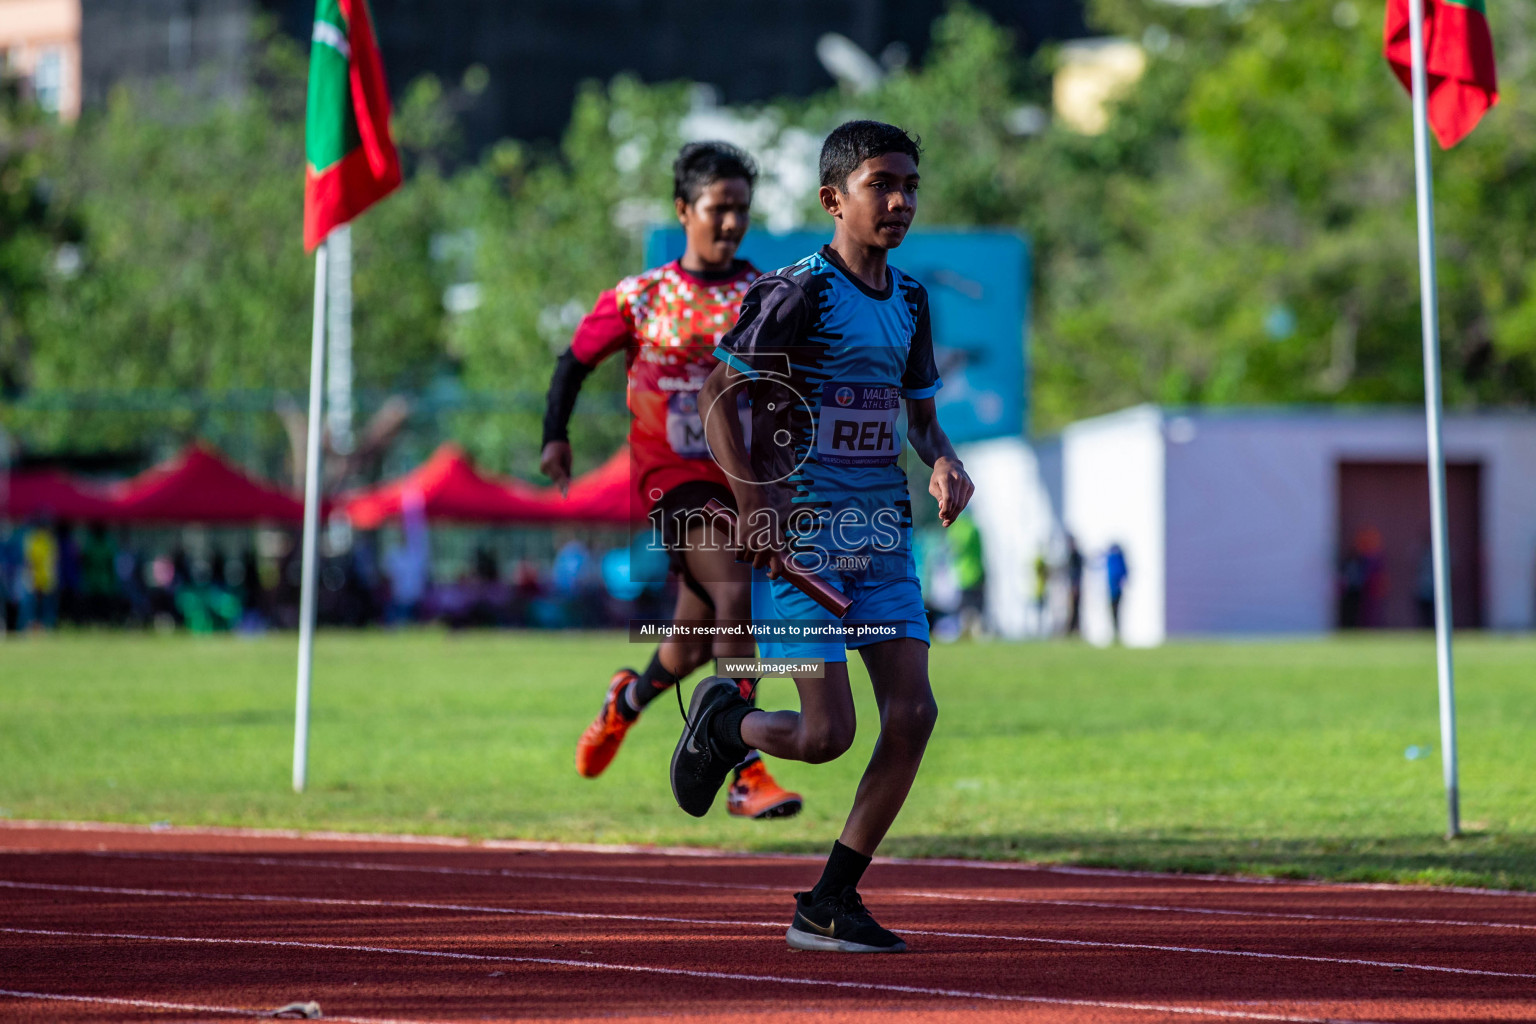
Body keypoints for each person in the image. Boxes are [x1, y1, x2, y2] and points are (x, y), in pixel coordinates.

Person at [687, 120, 973, 953]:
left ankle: (828, 901)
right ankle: (723, 725)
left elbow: (921, 419)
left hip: (881, 540)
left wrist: (945, 462)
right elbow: (718, 395)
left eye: (911, 185)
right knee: (824, 737)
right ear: (833, 198)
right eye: (883, 185)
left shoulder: (913, 300)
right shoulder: (796, 292)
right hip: (801, 543)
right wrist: (754, 504)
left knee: (913, 713)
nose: (901, 201)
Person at [540, 140, 801, 820]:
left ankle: (625, 700)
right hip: (671, 485)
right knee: (734, 597)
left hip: (738, 481)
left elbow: (783, 393)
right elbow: (572, 363)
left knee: (688, 644)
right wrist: (555, 437)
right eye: (718, 208)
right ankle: (746, 768)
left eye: (742, 209)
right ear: (683, 210)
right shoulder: (641, 296)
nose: (732, 223)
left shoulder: (763, 295)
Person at [1105, 542, 1129, 641]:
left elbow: (1124, 574)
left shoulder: (1118, 559)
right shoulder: (1110, 559)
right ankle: (1114, 632)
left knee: (1117, 611)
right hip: (1110, 590)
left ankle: (1117, 633)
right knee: (1112, 612)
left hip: (1117, 591)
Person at [1065, 533, 1084, 636]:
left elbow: (1076, 573)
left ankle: (1074, 630)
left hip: (1075, 587)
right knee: (1072, 609)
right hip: (1072, 586)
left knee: (1075, 609)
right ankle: (1072, 630)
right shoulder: (1071, 556)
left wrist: (1075, 585)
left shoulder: (1076, 556)